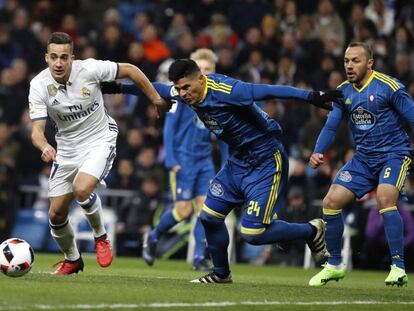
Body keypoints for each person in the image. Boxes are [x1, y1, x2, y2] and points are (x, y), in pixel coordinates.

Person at [114, 58, 342, 283]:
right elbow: (156, 88)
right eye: (179, 88)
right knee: (209, 218)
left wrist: (312, 96)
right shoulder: (184, 94)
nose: (182, 93)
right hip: (238, 162)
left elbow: (267, 90)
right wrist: (119, 87)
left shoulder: (228, 90)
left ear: (201, 80)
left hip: (266, 160)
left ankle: (312, 231)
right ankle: (221, 273)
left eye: (186, 87)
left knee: (252, 233)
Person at [29, 32, 167, 275]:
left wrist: (155, 98)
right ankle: (72, 259)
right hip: (67, 149)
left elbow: (131, 70)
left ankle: (101, 237)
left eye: (64, 57)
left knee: (82, 189)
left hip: (99, 139)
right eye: (54, 57)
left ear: (72, 58)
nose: (59, 63)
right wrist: (45, 147)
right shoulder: (39, 85)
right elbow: (37, 132)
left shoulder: (91, 69)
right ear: (46, 58)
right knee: (56, 215)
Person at [308, 42, 414, 287]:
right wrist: (318, 151)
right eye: (346, 60)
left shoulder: (390, 87)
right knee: (330, 202)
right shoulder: (343, 91)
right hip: (364, 159)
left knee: (385, 198)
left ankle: (398, 267)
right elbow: (332, 125)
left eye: (355, 60)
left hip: (394, 154)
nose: (349, 65)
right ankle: (334, 265)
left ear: (370, 63)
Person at [142, 49, 228, 270]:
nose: (203, 73)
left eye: (208, 69)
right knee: (183, 211)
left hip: (205, 160)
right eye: (200, 68)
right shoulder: (181, 95)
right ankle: (153, 236)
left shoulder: (215, 98)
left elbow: (222, 134)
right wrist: (171, 159)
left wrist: (226, 163)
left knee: (206, 210)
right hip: (184, 159)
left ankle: (199, 257)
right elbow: (169, 128)